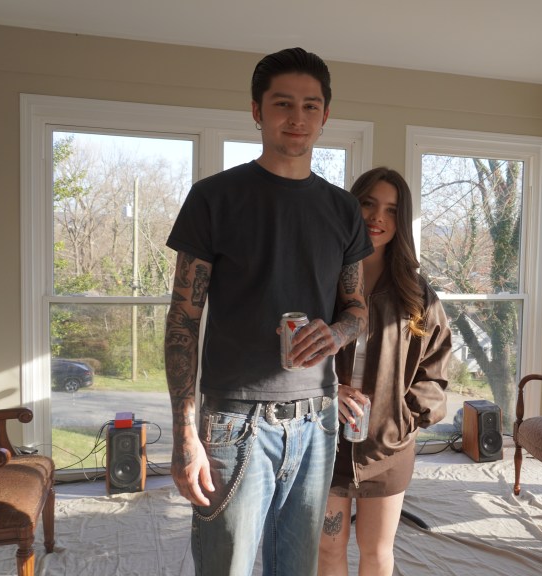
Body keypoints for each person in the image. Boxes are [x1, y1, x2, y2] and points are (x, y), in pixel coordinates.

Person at [164, 47, 372, 576]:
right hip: (234, 421)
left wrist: (337, 333)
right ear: (257, 111)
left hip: (318, 419)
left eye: (310, 106)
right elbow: (183, 321)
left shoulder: (343, 209)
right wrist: (185, 433)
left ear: (325, 116)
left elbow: (358, 309)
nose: (297, 118)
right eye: (283, 103)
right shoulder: (214, 198)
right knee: (225, 567)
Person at [318, 167, 452, 576]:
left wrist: (404, 418)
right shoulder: (320, 281)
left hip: (387, 449)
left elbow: (436, 370)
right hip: (324, 443)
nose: (378, 217)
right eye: (368, 204)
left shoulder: (417, 295)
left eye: (392, 210)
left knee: (376, 552)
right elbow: (294, 352)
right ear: (351, 208)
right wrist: (327, 392)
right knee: (327, 549)